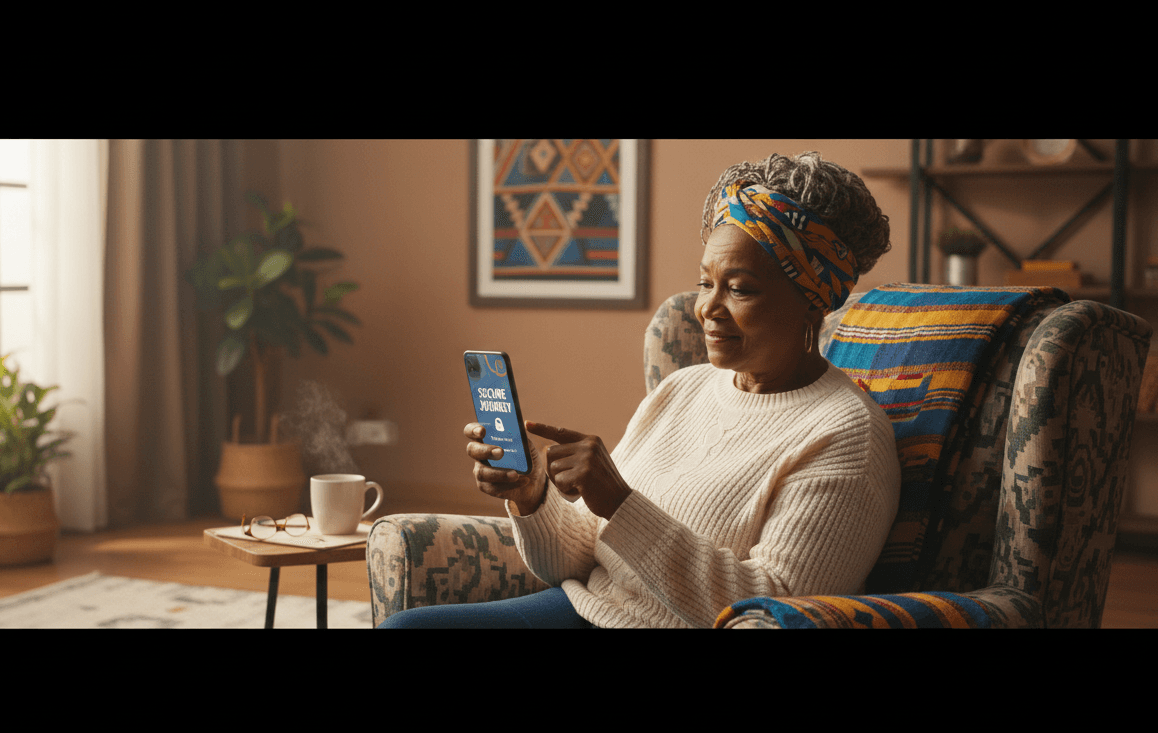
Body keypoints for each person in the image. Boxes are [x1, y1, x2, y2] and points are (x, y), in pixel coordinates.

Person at [378, 151, 900, 629]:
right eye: (705, 283)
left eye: (739, 289)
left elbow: (775, 607)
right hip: (587, 610)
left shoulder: (847, 435)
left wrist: (622, 503)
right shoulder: (683, 389)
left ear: (813, 300)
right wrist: (530, 494)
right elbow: (580, 554)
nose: (707, 309)